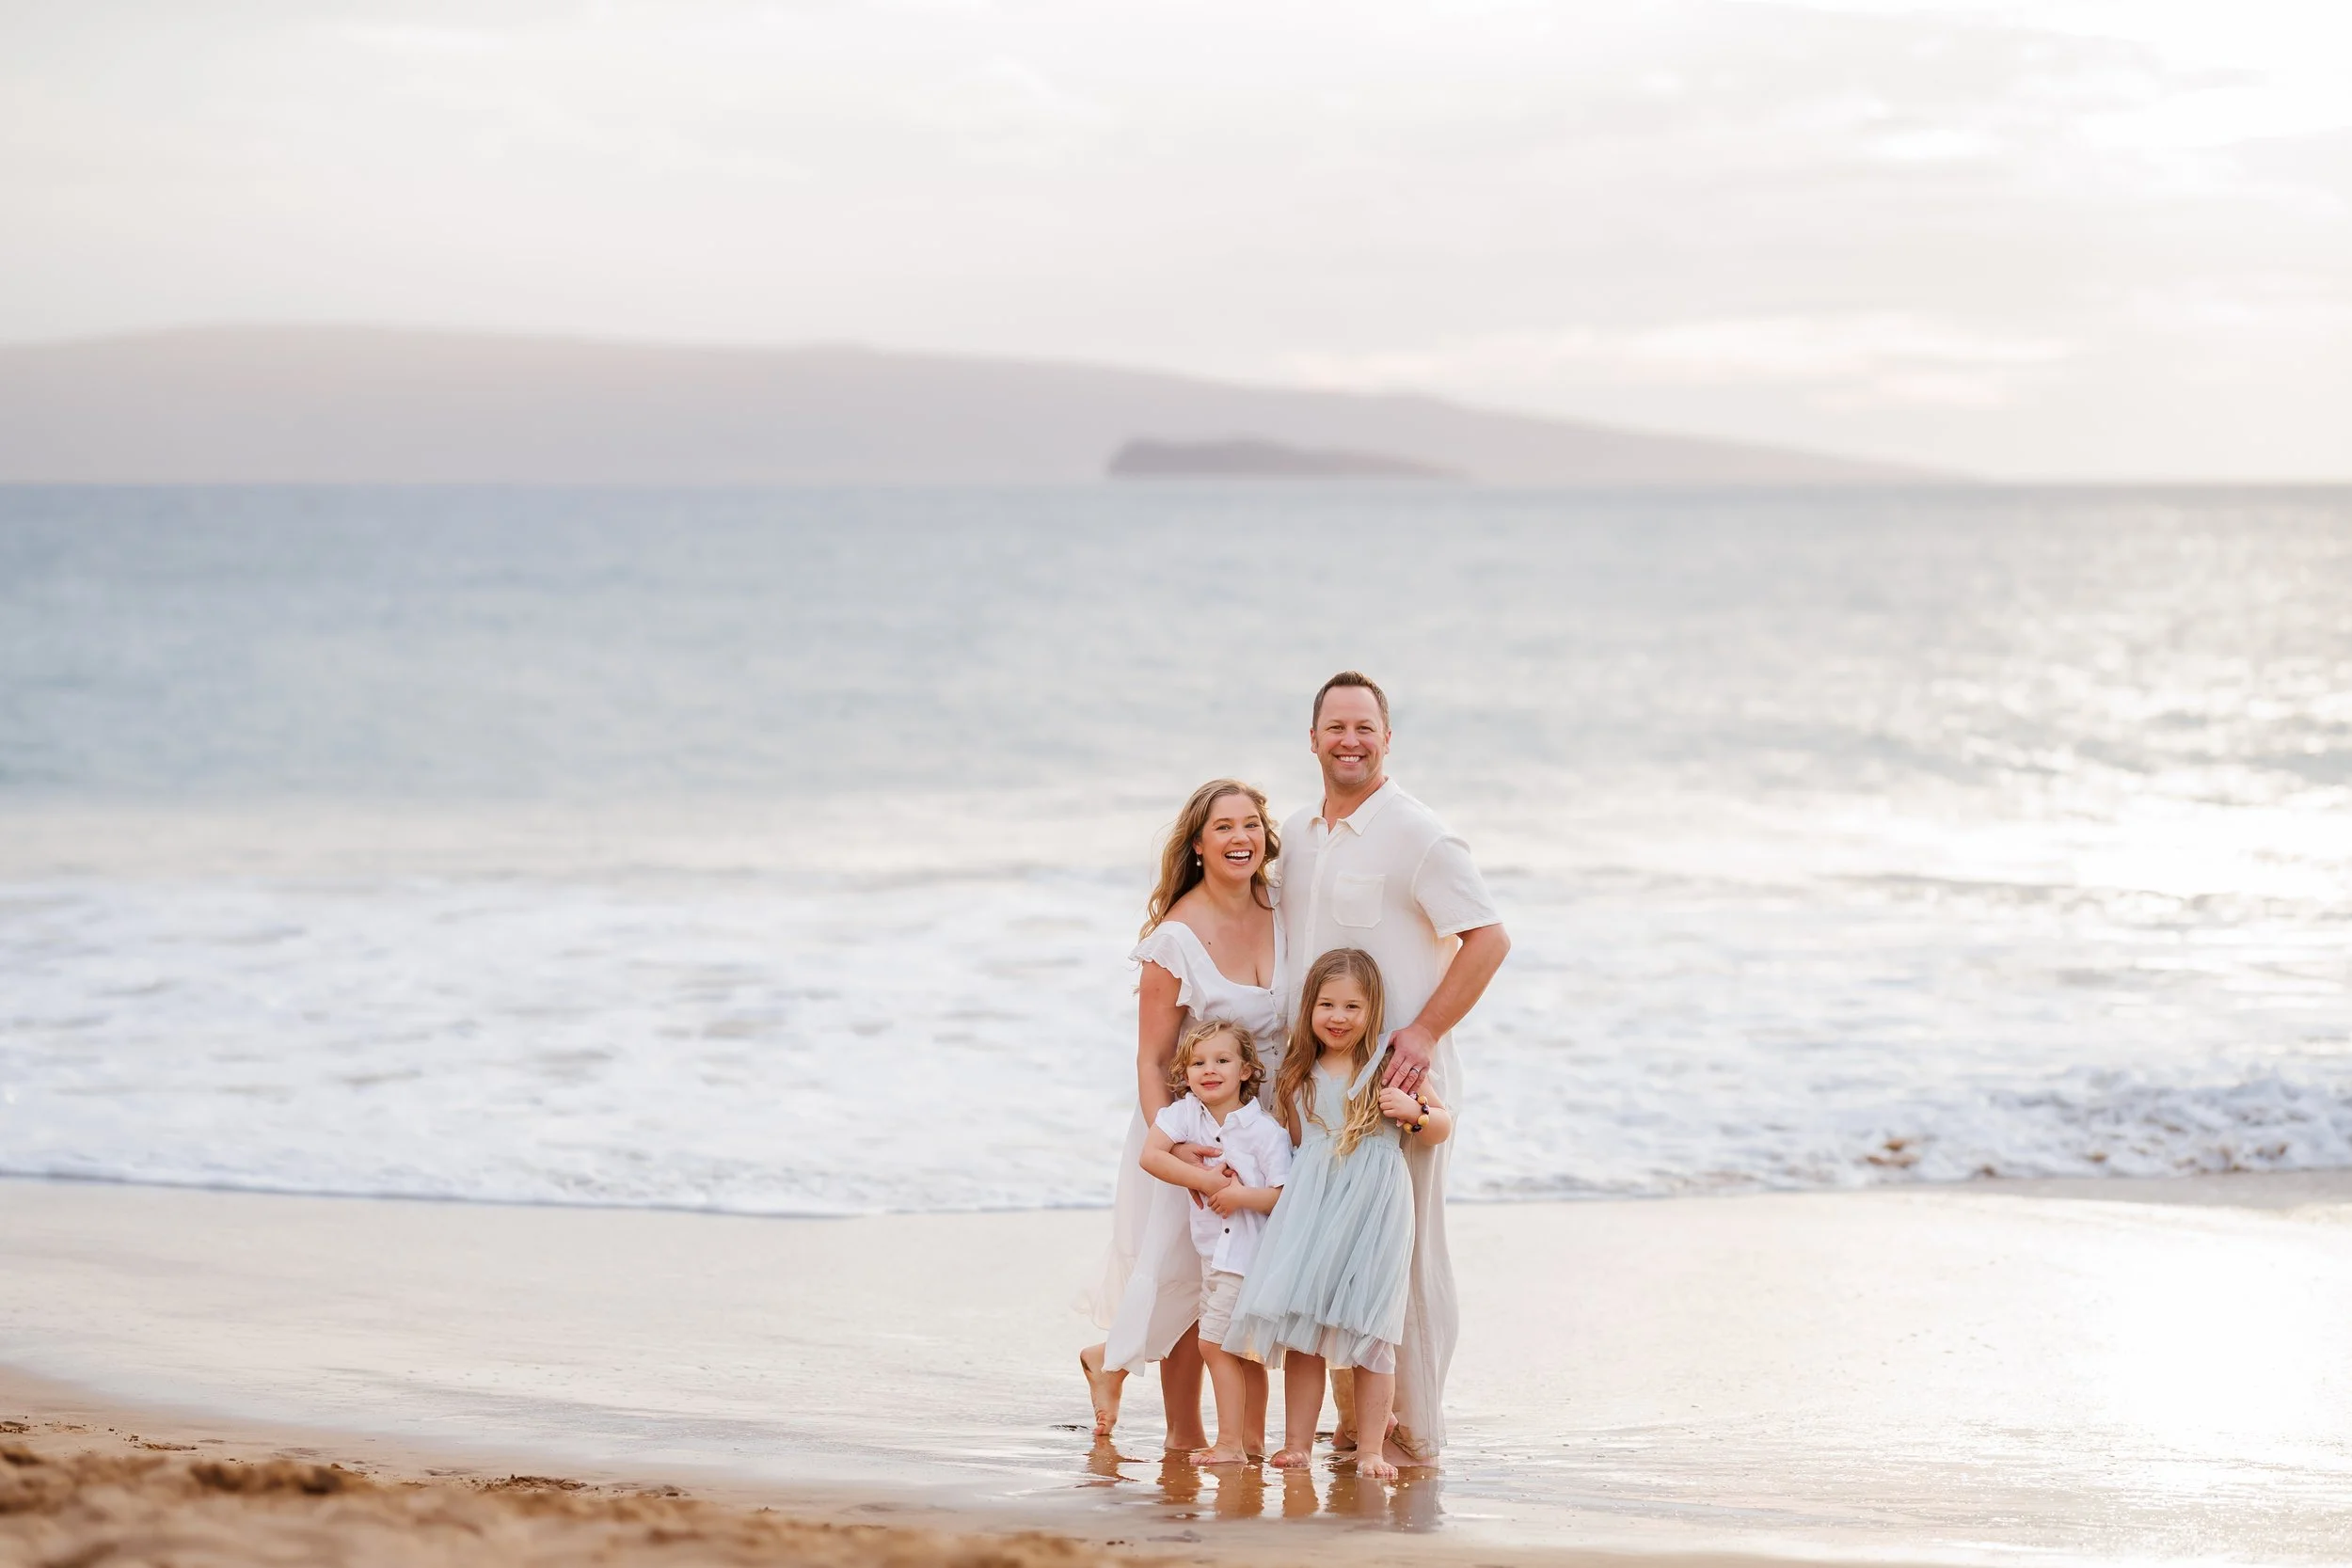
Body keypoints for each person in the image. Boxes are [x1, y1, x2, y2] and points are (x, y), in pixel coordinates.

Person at [1273, 672, 1507, 1465]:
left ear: (1387, 737)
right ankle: (1354, 1424)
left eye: (1365, 727)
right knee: (1323, 1246)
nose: (1349, 740)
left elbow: (1489, 939)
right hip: (1319, 1082)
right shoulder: (1299, 833)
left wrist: (1423, 1032)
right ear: (1312, 739)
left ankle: (1417, 1431)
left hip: (1400, 1086)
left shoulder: (1419, 834)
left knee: (1405, 1255)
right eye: (1335, 726)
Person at [1078, 779, 1285, 1451]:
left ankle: (1116, 1361)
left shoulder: (1286, 908)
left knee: (1245, 1273)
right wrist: (1180, 1146)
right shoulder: (1175, 938)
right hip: (1189, 1128)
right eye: (1223, 827)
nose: (1240, 838)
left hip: (1264, 1122)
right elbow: (1151, 1058)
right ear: (1198, 844)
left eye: (1250, 824)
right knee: (1187, 1272)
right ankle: (1181, 1430)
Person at [1220, 947, 1453, 1481]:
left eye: (1352, 1006)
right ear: (1310, 1008)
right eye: (1327, 1004)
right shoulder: (1299, 1073)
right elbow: (1299, 1148)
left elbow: (1442, 1124)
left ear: (1372, 1010)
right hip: (1313, 1208)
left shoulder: (1391, 1067)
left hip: (1374, 1209)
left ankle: (1371, 1447)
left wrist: (1415, 1114)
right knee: (1304, 1326)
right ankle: (1297, 1442)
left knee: (1373, 1331)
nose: (1339, 1017)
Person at [1133, 1020, 1292, 1465]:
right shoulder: (1184, 1114)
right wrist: (1205, 1179)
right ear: (1185, 1074)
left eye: (1222, 1060)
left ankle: (1230, 1444)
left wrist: (1239, 1195)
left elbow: (1284, 1197)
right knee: (1239, 1350)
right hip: (1213, 1255)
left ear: (1246, 1070)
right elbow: (1151, 1155)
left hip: (1248, 1256)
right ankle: (1251, 1442)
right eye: (1198, 1063)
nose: (1209, 1069)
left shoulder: (1266, 1132)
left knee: (1216, 1346)